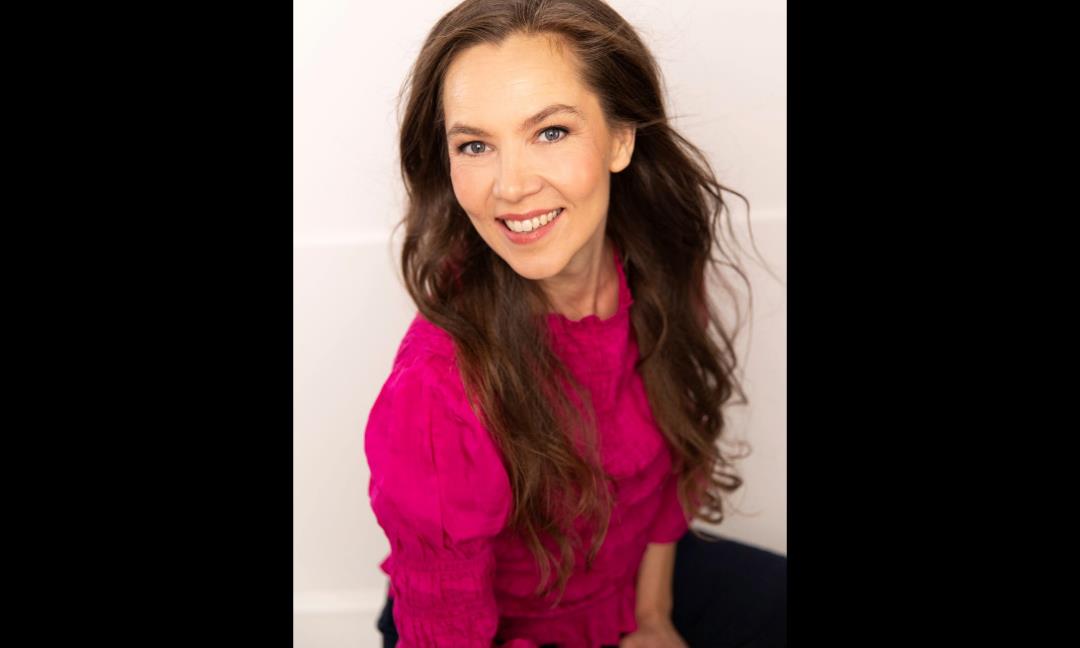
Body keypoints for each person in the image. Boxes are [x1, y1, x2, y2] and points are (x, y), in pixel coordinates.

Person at [364, 1, 785, 646]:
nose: (510, 187)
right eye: (475, 145)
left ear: (620, 138)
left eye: (550, 132)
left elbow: (671, 461)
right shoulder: (435, 389)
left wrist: (653, 618)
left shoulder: (657, 266)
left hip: (631, 578)